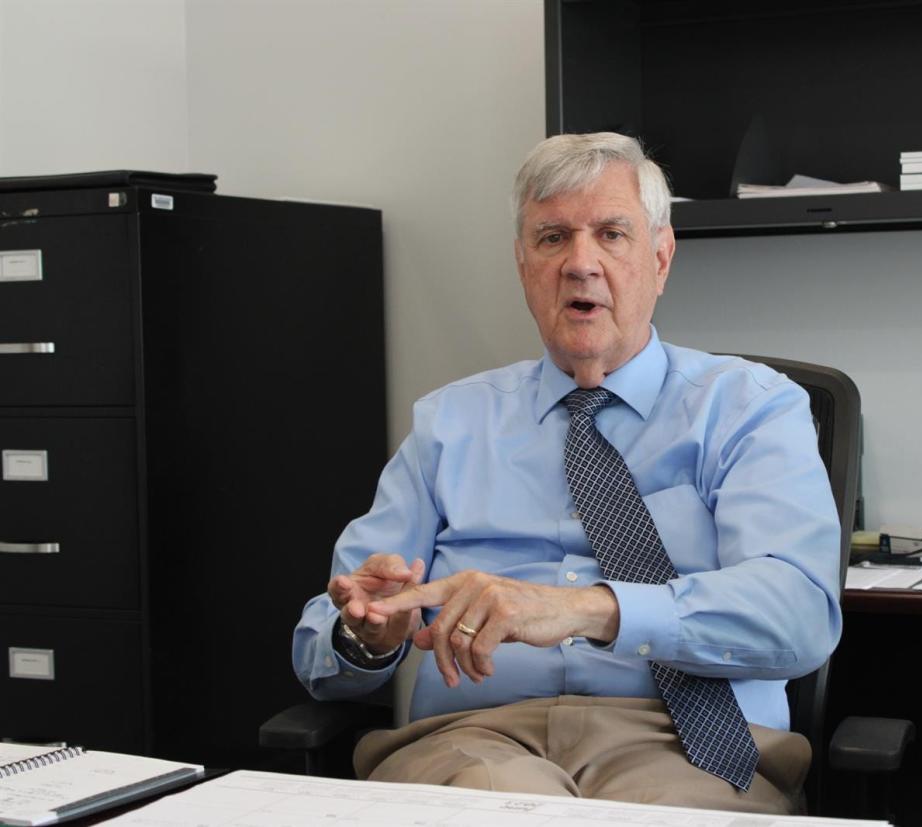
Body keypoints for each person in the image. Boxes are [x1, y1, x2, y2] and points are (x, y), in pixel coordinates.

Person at [292, 132, 842, 814]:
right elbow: (325, 641)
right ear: (523, 263)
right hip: (474, 740)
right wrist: (367, 635)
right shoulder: (450, 421)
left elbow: (797, 617)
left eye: (611, 234)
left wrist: (585, 608)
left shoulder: (749, 408)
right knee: (505, 809)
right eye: (552, 238)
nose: (580, 263)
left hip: (683, 746)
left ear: (660, 257)